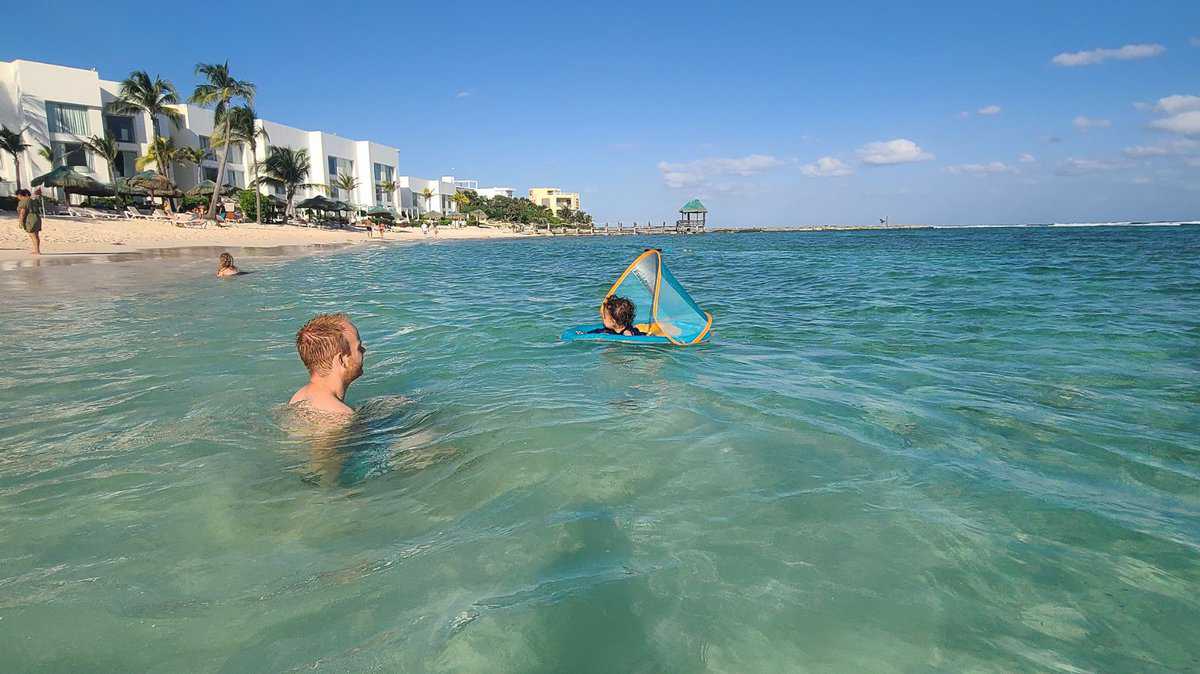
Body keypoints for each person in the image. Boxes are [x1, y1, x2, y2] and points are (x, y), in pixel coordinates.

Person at [289, 313, 366, 416]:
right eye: (358, 348)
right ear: (341, 360)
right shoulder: (341, 415)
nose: (364, 350)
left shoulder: (298, 397)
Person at [15, 189, 42, 255]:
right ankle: (37, 250)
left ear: (20, 195)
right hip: (37, 218)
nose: (17, 197)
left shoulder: (23, 201)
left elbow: (22, 212)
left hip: (30, 218)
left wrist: (20, 221)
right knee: (36, 235)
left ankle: (37, 251)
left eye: (17, 196)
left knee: (32, 235)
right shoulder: (34, 200)